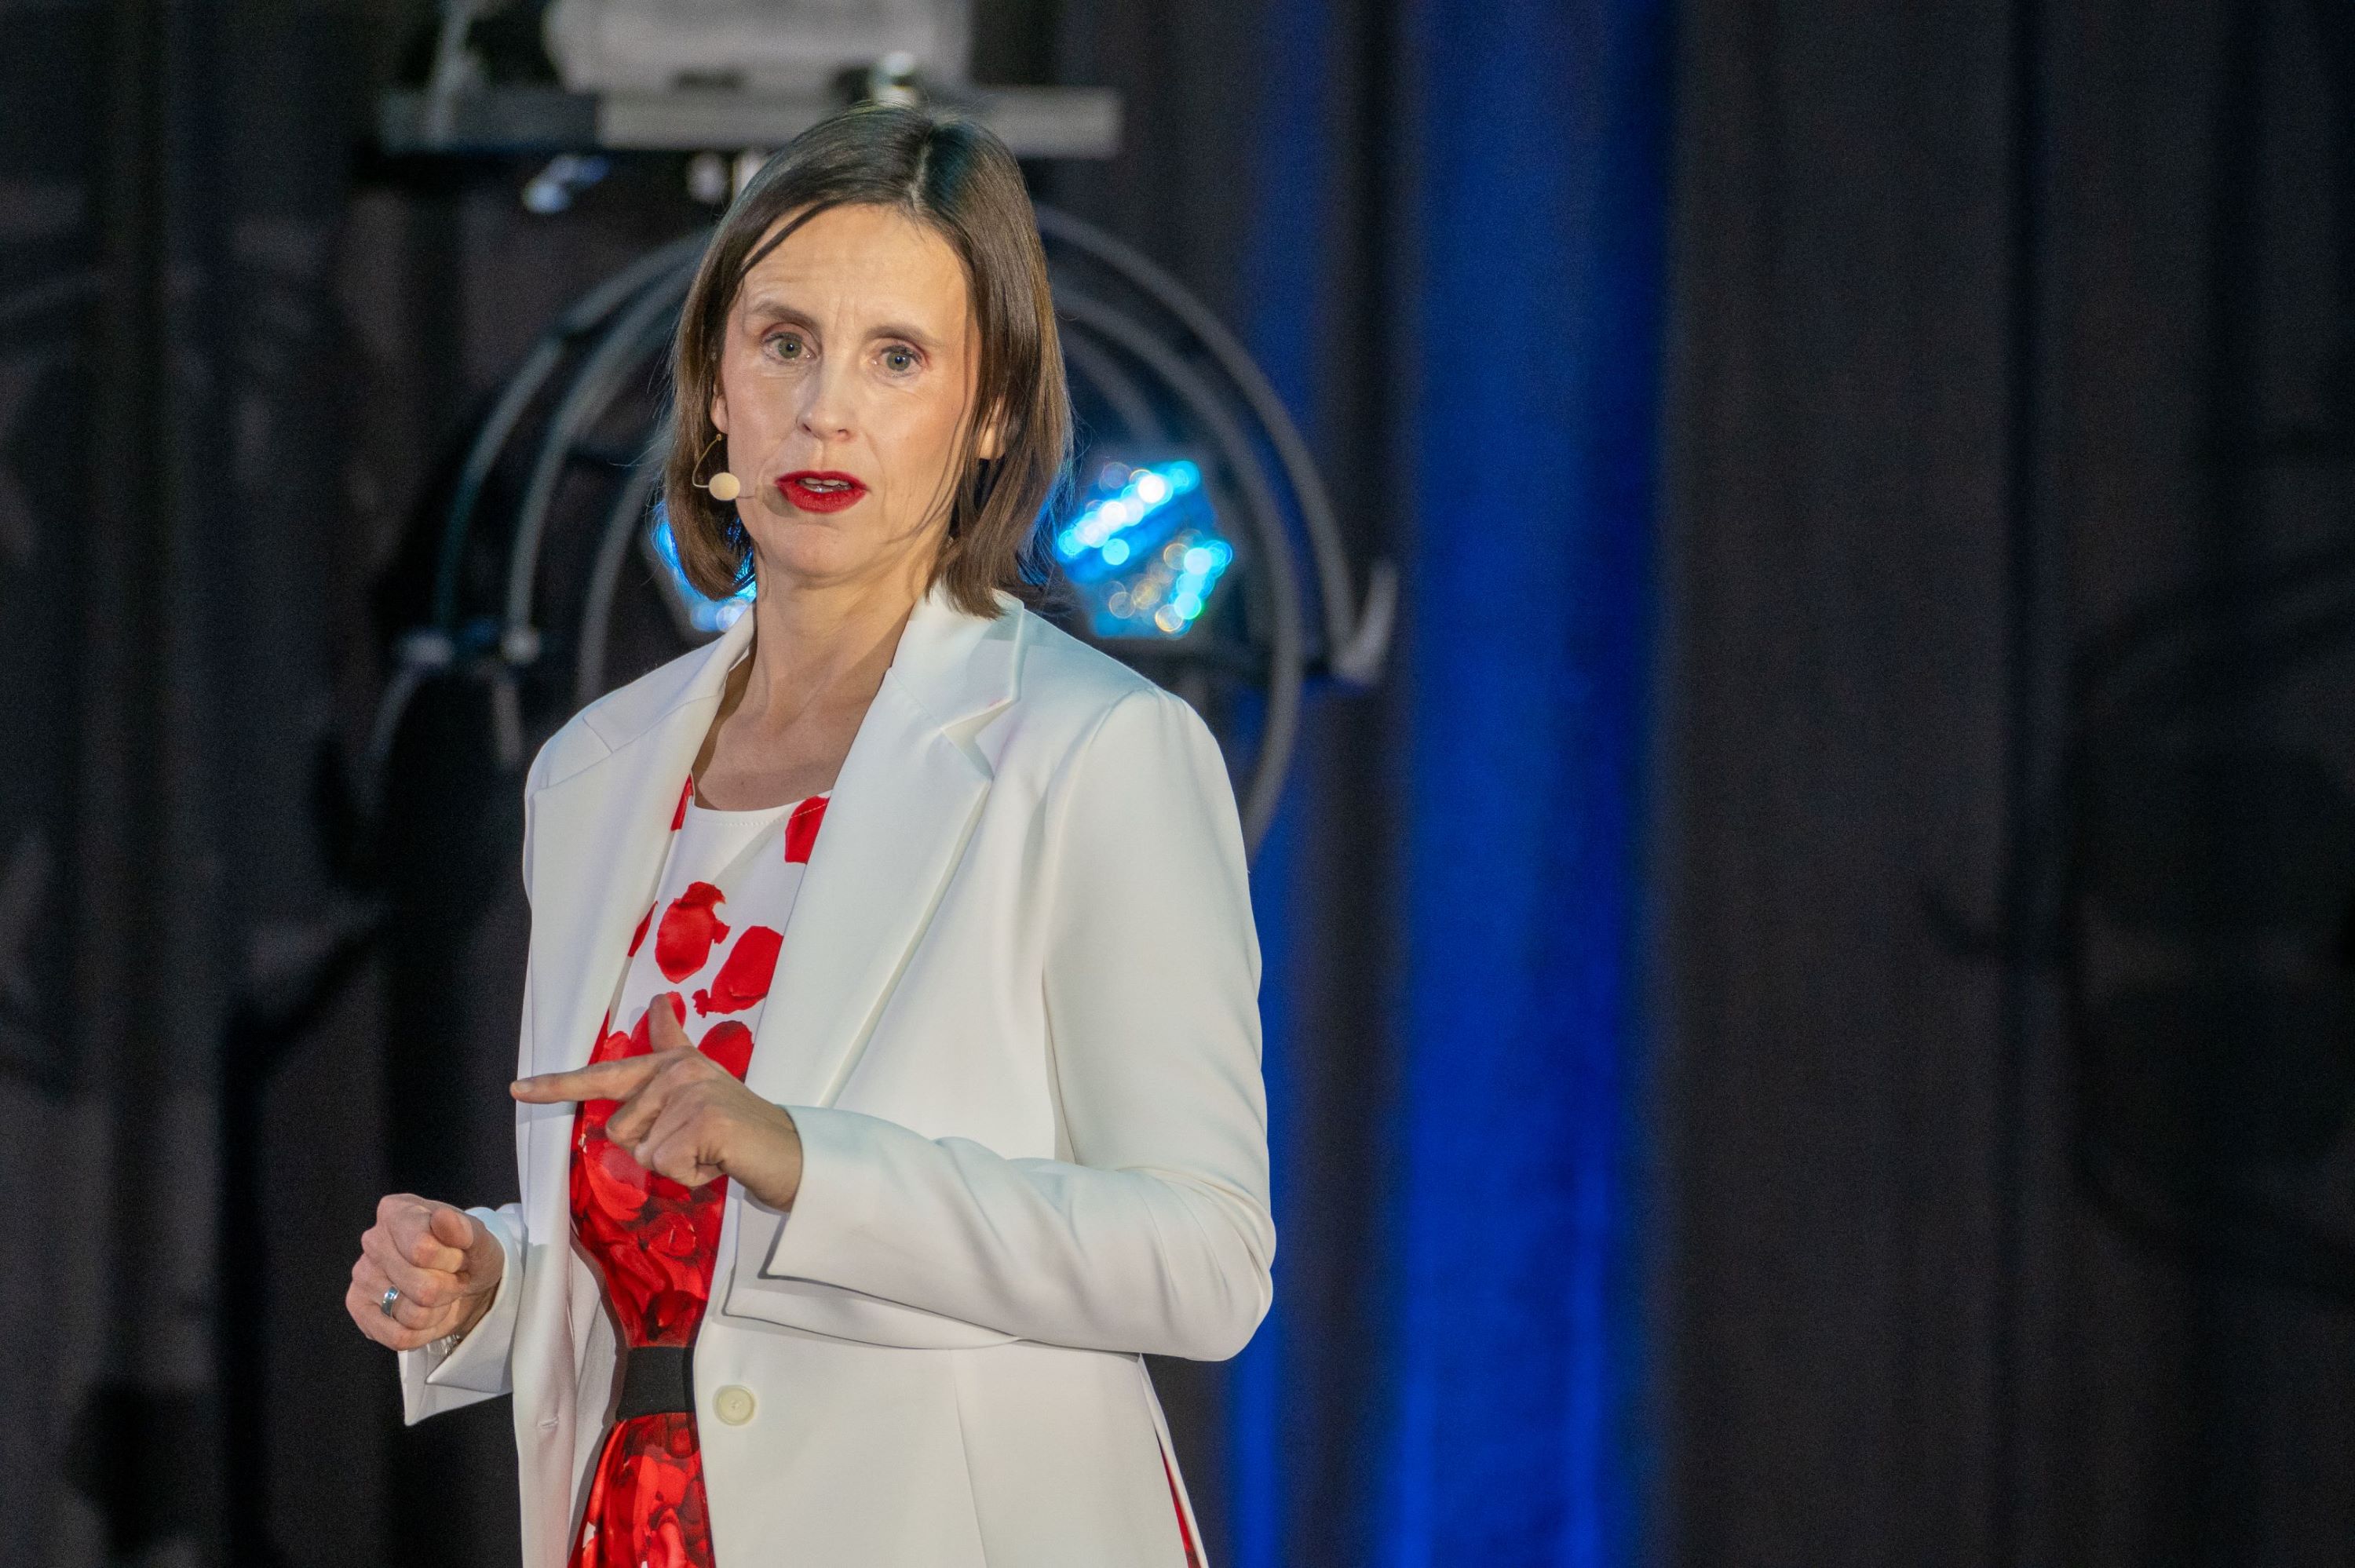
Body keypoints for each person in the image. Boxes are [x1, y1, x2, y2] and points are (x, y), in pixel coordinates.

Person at [342, 104, 1272, 1568]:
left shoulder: (1099, 750)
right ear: (714, 385)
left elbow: (1206, 1262)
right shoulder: (599, 769)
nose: (826, 408)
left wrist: (801, 1154)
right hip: (638, 1526)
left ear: (987, 415)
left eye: (896, 356)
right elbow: (690, 1285)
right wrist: (494, 1295)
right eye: (784, 342)